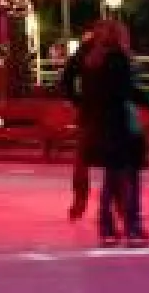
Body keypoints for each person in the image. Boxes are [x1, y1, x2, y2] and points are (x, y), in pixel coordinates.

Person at [80, 19, 149, 247]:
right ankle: (131, 227)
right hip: (122, 124)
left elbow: (88, 96)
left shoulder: (92, 62)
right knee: (129, 178)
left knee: (111, 179)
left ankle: (107, 228)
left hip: (102, 125)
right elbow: (127, 91)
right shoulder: (119, 60)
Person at [60, 29, 97, 221]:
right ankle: (80, 202)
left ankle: (80, 203)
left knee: (83, 160)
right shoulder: (91, 54)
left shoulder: (84, 54)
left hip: (90, 112)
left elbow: (66, 80)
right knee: (115, 162)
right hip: (95, 113)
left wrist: (77, 100)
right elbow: (66, 79)